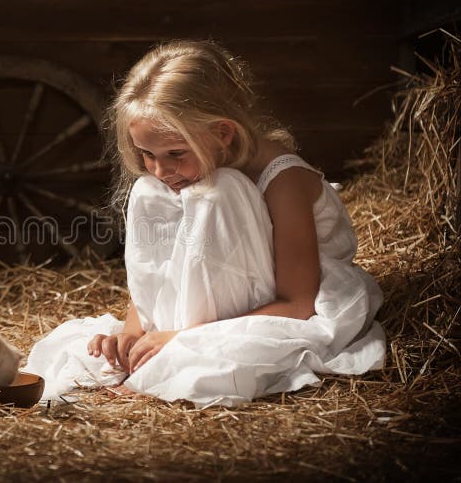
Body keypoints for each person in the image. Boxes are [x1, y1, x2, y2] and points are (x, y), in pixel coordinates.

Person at [22, 40, 386, 407]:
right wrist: (133, 334)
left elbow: (297, 303)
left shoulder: (282, 179)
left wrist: (181, 340)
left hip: (279, 302)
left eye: (175, 154)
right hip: (213, 303)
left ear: (222, 134)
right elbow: (170, 265)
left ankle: (177, 346)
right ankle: (153, 346)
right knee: (147, 192)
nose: (161, 170)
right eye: (147, 154)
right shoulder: (177, 175)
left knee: (221, 191)